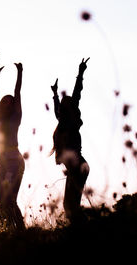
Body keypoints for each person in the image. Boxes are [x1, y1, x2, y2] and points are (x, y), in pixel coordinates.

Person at [50, 58, 90, 223]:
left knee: (70, 205)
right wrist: (54, 94)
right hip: (75, 167)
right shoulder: (62, 122)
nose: (64, 101)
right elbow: (57, 110)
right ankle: (79, 232)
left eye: (67, 101)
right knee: (70, 206)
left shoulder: (72, 123)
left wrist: (80, 73)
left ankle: (83, 232)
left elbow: (77, 93)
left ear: (71, 107)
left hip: (79, 166)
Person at [0, 62, 25, 230]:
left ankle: (21, 232)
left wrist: (20, 72)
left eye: (9, 101)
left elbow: (17, 92)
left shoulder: (15, 118)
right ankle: (12, 232)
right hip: (2, 163)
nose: (5, 103)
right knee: (1, 201)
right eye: (3, 101)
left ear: (13, 106)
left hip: (14, 162)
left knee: (9, 199)